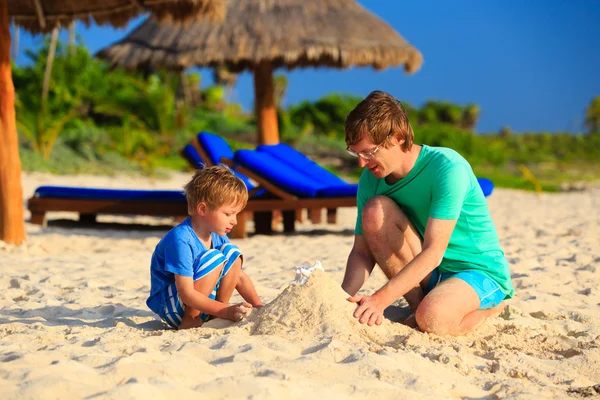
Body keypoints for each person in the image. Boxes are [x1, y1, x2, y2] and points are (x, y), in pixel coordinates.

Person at [341, 90, 514, 336]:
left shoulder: (446, 168)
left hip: (476, 271)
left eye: (369, 152)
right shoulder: (371, 179)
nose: (361, 162)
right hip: (431, 275)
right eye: (355, 152)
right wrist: (341, 298)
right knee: (375, 211)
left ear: (398, 138)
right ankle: (419, 305)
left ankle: (492, 308)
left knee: (433, 319)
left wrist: (380, 300)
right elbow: (361, 252)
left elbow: (434, 252)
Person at [146, 165, 263, 329]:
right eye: (228, 214)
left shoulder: (217, 234)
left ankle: (217, 310)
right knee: (214, 257)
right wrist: (227, 312)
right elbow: (186, 293)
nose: (234, 221)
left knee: (232, 253)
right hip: (173, 306)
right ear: (203, 209)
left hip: (203, 301)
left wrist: (259, 307)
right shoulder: (181, 239)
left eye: (236, 214)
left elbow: (238, 275)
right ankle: (191, 318)